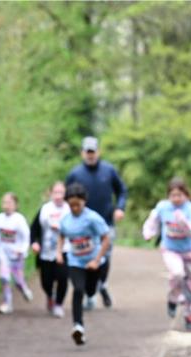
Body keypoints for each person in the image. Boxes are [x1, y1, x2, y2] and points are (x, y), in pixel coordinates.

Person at [65, 136, 127, 309]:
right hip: (83, 226)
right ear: (82, 153)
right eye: (87, 152)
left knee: (104, 256)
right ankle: (89, 293)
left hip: (106, 222)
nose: (90, 155)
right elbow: (67, 198)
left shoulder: (109, 170)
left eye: (93, 152)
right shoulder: (75, 174)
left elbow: (122, 190)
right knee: (85, 255)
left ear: (98, 152)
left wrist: (120, 208)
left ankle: (102, 284)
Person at [56, 183, 111, 346]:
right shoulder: (66, 220)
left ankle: (99, 289)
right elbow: (61, 236)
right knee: (78, 289)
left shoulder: (93, 218)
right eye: (71, 205)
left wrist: (96, 260)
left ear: (84, 202)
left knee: (90, 290)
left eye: (77, 204)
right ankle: (78, 326)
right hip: (75, 261)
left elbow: (106, 238)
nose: (74, 208)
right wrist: (59, 252)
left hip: (94, 262)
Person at [142, 178, 191, 330]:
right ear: (168, 196)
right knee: (177, 273)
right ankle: (173, 298)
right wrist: (149, 233)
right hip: (170, 249)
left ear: (186, 195)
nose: (176, 199)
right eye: (173, 195)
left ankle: (189, 313)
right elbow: (152, 221)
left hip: (188, 251)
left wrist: (184, 223)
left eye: (179, 195)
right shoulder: (163, 207)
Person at [0, 193, 33, 314]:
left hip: (16, 256)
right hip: (3, 254)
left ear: (15, 205)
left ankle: (24, 289)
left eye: (9, 203)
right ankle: (7, 303)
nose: (6, 205)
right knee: (4, 278)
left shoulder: (19, 219)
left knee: (18, 281)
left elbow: (26, 237)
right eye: (4, 202)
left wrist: (22, 250)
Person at [30, 181, 69, 317]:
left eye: (61, 193)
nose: (58, 196)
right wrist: (34, 243)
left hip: (65, 251)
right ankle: (50, 295)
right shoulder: (44, 209)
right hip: (45, 252)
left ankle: (58, 304)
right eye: (56, 193)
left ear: (65, 194)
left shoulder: (70, 209)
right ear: (51, 193)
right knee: (46, 281)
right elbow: (33, 229)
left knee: (63, 278)